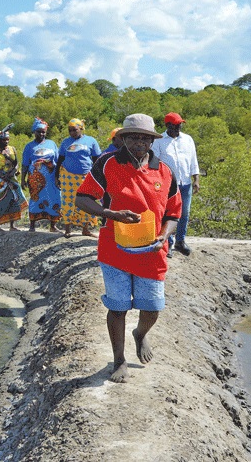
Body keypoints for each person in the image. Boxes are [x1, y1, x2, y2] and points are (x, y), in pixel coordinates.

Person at [75, 113, 182, 383]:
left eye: (144, 138)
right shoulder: (107, 163)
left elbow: (174, 213)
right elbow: (82, 198)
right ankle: (119, 359)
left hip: (152, 250)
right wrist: (111, 214)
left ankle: (141, 334)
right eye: (133, 137)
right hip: (115, 250)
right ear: (122, 138)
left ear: (151, 141)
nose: (138, 143)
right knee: (118, 307)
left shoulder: (164, 170)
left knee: (153, 308)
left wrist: (164, 235)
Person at [152, 112, 200, 256]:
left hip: (185, 183)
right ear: (167, 125)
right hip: (167, 186)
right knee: (168, 215)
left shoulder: (188, 139)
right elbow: (155, 164)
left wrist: (196, 179)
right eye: (175, 125)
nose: (178, 127)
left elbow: (193, 160)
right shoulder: (159, 141)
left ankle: (180, 241)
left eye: (180, 125)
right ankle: (168, 243)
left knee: (184, 214)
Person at [55, 118, 101, 238]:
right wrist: (56, 176)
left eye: (74, 130)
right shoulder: (65, 142)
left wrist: (98, 176)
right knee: (67, 201)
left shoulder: (91, 141)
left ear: (81, 128)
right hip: (67, 176)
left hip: (86, 176)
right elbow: (59, 160)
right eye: (70, 130)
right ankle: (67, 229)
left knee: (87, 200)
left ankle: (85, 229)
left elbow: (96, 160)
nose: (72, 133)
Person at [21, 118, 61, 233]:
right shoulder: (29, 146)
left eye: (43, 132)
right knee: (35, 199)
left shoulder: (52, 144)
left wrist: (58, 177)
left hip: (51, 177)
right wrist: (23, 180)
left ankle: (53, 225)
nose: (41, 134)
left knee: (54, 198)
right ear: (34, 132)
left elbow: (58, 161)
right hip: (36, 178)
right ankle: (32, 225)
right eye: (39, 131)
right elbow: (25, 164)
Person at [0, 129, 27, 231]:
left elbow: (16, 164)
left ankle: (12, 225)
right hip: (0, 181)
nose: (6, 142)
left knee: (13, 201)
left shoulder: (12, 149)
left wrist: (12, 173)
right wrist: (4, 177)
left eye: (7, 139)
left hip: (11, 178)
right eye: (3, 140)